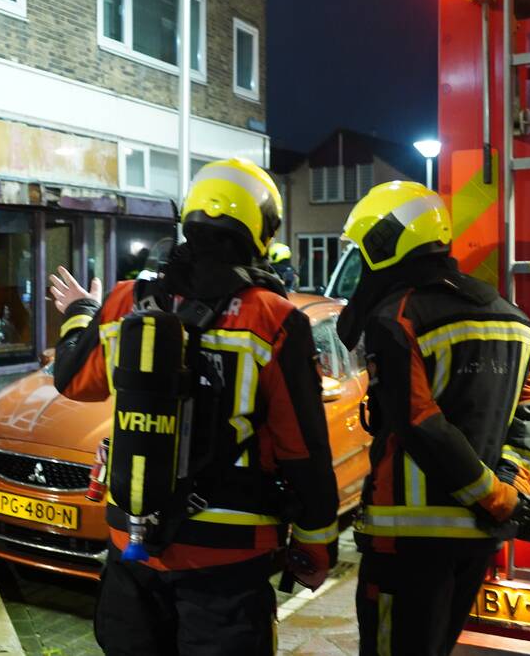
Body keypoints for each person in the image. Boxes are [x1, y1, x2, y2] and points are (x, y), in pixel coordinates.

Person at [48, 158, 339, 655]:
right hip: (228, 559)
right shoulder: (274, 318)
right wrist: (316, 541)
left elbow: (74, 381)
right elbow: (302, 448)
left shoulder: (125, 300)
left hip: (132, 544)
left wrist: (80, 314)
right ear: (260, 230)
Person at [336, 181, 530, 655]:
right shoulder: (511, 317)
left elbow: (420, 422)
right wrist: (511, 490)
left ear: (384, 242)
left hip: (406, 540)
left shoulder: (396, 318)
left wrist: (500, 500)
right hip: (475, 540)